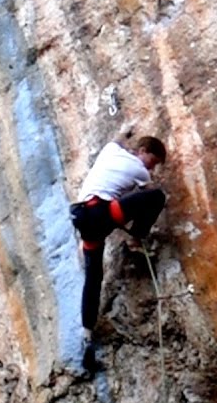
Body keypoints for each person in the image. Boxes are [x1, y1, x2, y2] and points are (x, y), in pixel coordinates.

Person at [70, 135, 168, 370]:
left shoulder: (110, 150)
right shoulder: (140, 171)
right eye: (151, 162)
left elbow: (117, 139)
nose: (150, 168)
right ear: (142, 151)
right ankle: (135, 241)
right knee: (157, 197)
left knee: (93, 278)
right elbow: (147, 194)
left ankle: (87, 336)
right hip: (102, 213)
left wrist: (127, 135)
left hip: (82, 216)